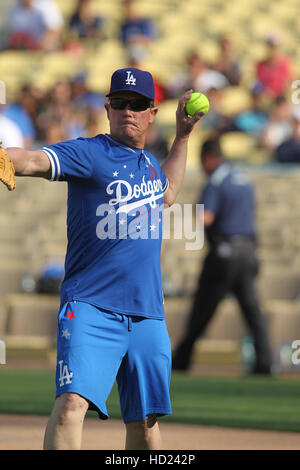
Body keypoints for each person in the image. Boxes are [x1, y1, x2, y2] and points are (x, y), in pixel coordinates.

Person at [3, 67, 203, 450]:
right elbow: (32, 160)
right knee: (70, 405)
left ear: (151, 113)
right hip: (91, 307)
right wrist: (6, 158)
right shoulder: (89, 153)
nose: (128, 110)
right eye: (120, 103)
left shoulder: (149, 168)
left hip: (147, 314)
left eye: (138, 104)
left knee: (144, 424)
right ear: (107, 109)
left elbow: (170, 190)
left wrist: (183, 135)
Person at [172, 138, 273, 375]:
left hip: (224, 255)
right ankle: (264, 362)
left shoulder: (216, 181)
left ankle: (182, 358)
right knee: (252, 311)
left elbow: (206, 217)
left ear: (208, 157)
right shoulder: (243, 178)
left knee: (202, 309)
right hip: (247, 252)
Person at [255, 33, 294, 98]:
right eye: (270, 46)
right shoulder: (260, 65)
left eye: (275, 47)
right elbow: (258, 85)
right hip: (265, 101)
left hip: (281, 100)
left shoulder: (285, 64)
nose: (272, 50)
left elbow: (290, 84)